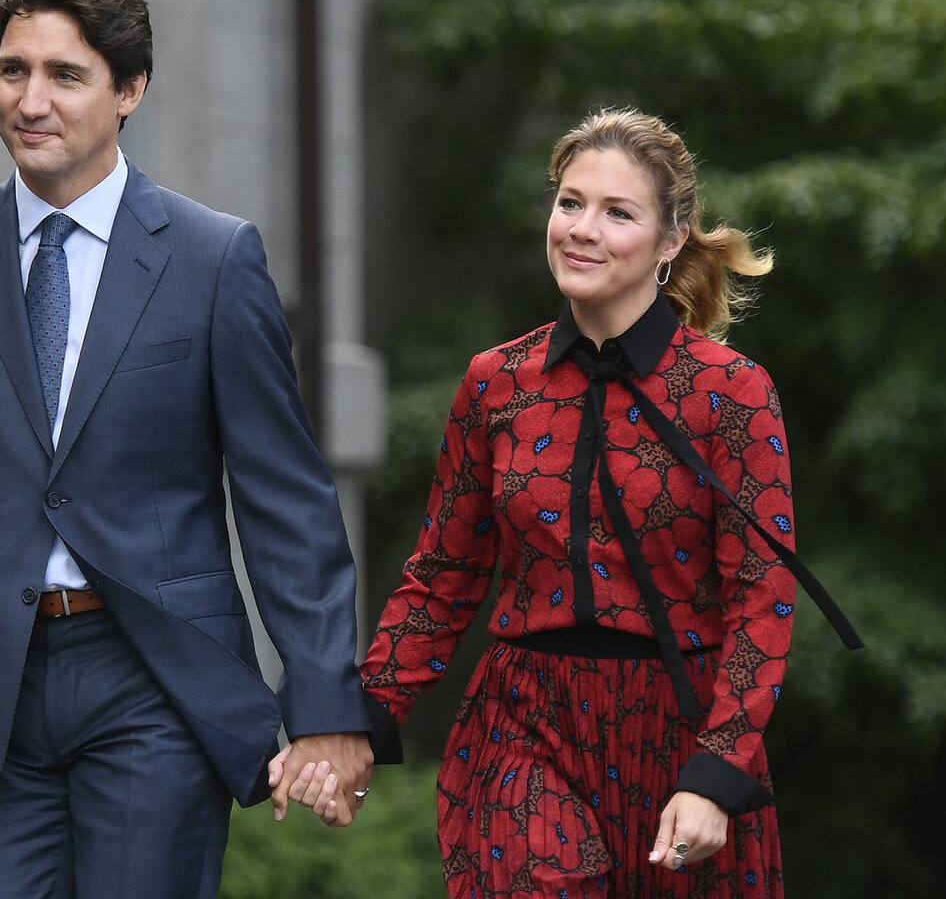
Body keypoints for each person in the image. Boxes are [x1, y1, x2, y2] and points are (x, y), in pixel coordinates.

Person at [0, 0, 373, 899]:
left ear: (129, 90)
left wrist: (328, 701)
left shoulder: (214, 260)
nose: (31, 100)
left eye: (66, 75)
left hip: (154, 684)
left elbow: (284, 499)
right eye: (14, 70)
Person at [280, 108, 860, 895]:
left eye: (618, 212)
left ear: (669, 240)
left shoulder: (731, 392)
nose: (582, 229)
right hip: (522, 721)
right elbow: (442, 577)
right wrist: (358, 721)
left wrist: (720, 770)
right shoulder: (496, 382)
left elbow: (762, 599)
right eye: (570, 202)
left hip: (678, 731)